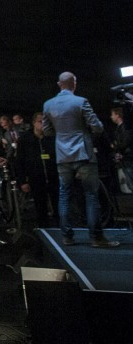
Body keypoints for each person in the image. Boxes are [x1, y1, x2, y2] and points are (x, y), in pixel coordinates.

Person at [42, 72, 119, 248]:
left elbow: (46, 131)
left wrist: (62, 135)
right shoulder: (80, 102)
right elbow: (98, 127)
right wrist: (85, 132)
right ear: (74, 84)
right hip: (83, 154)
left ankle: (67, 237)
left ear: (59, 84)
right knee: (91, 196)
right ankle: (96, 238)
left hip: (62, 156)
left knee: (64, 196)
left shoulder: (48, 105)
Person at [13, 113, 58, 228]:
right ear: (34, 123)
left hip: (53, 177)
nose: (44, 125)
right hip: (36, 178)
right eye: (41, 122)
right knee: (40, 206)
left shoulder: (52, 137)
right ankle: (44, 230)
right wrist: (22, 181)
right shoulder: (25, 139)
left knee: (58, 205)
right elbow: (19, 161)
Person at [110, 106, 133, 194]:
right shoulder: (120, 128)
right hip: (126, 157)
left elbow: (126, 141)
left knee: (130, 182)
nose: (111, 117)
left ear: (117, 115)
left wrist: (115, 146)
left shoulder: (125, 128)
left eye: (112, 114)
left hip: (128, 157)